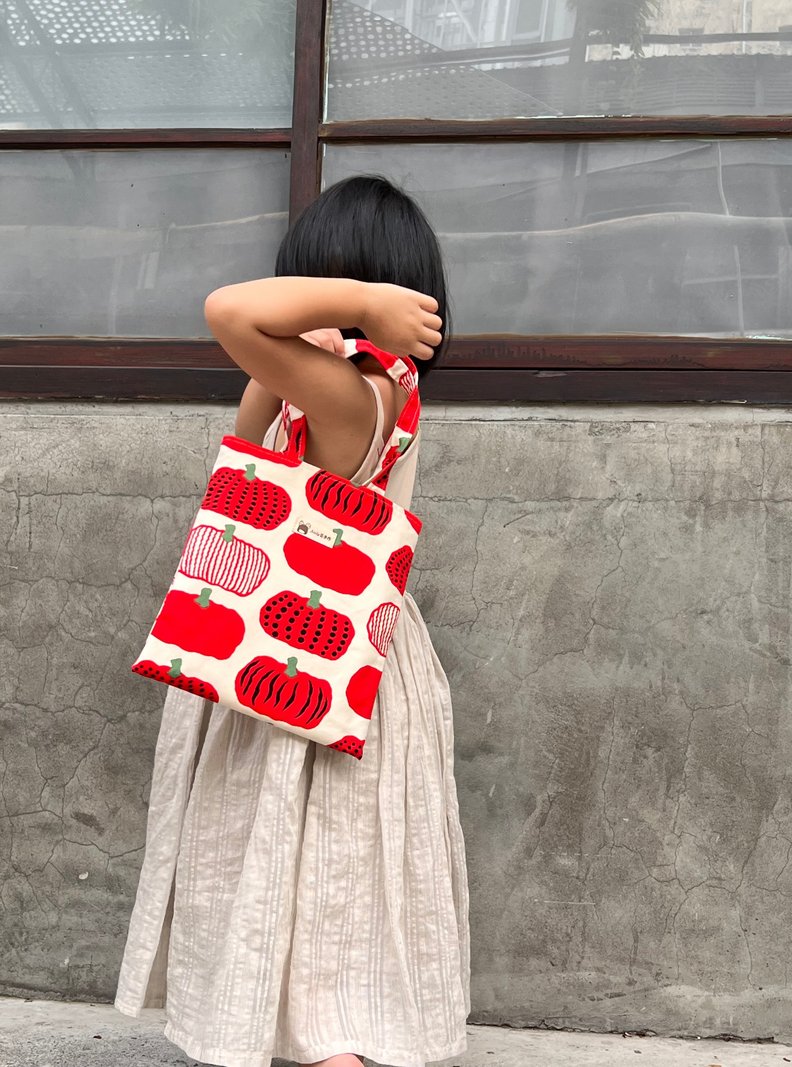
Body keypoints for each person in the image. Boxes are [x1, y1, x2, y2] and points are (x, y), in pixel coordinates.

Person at [114, 175, 470, 1067]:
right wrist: (329, 323)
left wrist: (358, 305)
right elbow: (242, 451)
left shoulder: (358, 397)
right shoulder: (316, 392)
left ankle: (334, 1042)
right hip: (300, 646)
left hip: (314, 653)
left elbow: (228, 309)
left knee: (323, 861)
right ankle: (312, 1030)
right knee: (305, 852)